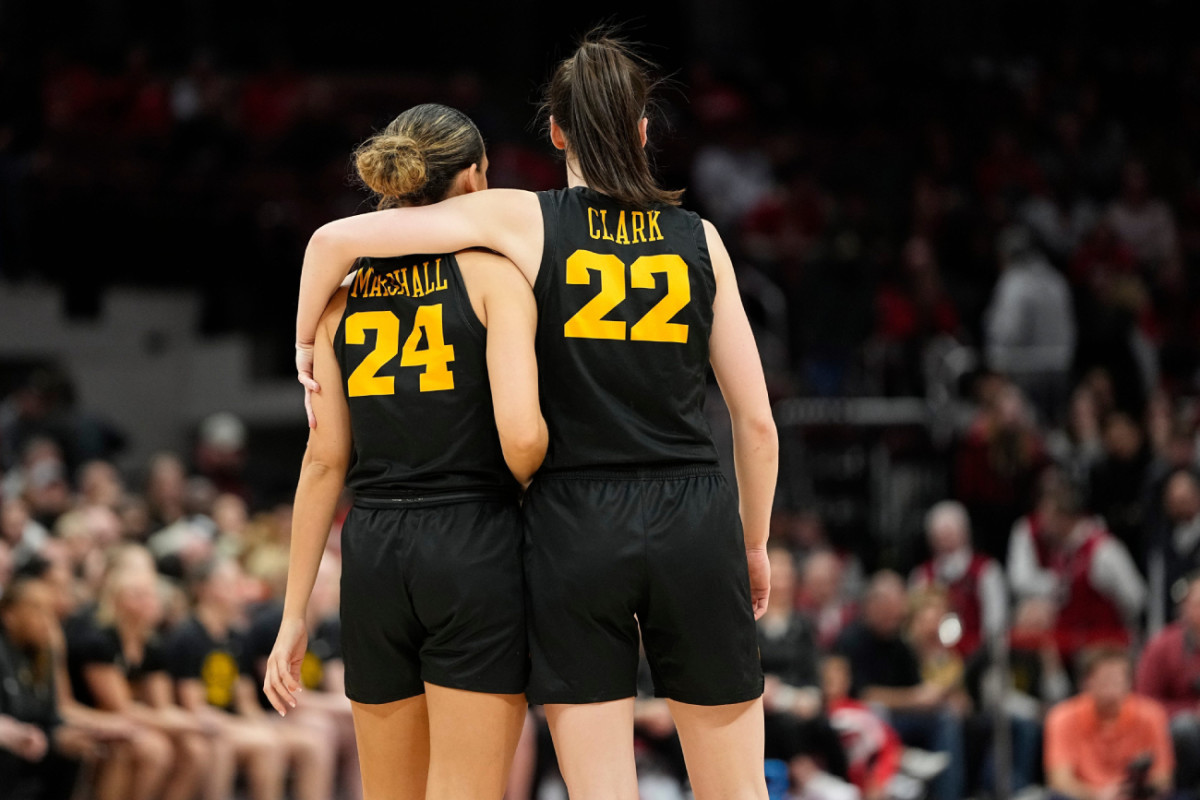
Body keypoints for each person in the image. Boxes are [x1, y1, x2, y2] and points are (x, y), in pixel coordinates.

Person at [289, 29, 778, 800]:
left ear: (554, 132)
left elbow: (336, 239)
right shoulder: (701, 238)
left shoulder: (524, 220)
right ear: (645, 130)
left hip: (573, 518)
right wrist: (750, 543)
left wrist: (304, 344)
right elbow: (754, 423)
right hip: (695, 510)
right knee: (738, 790)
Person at [264, 101, 547, 800]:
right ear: (475, 177)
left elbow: (323, 463)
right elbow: (522, 439)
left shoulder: (340, 300)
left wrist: (294, 613)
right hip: (474, 539)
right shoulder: (492, 277)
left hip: (373, 552)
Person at [1045, 647, 1173, 800]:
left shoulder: (1152, 715)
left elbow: (1162, 778)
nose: (1111, 683)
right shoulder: (1062, 717)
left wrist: (1129, 793)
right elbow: (1059, 780)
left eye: (1118, 677)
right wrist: (1097, 795)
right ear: (1086, 682)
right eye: (1104, 677)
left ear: (1130, 682)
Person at [909, 499, 1007, 661]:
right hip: (935, 658)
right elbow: (914, 625)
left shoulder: (986, 570)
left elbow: (995, 624)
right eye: (940, 536)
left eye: (950, 534)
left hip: (977, 656)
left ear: (964, 533)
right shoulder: (921, 575)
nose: (945, 542)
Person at [1135, 574, 1200, 798]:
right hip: (1178, 728)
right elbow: (1144, 703)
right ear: (1185, 608)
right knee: (1184, 728)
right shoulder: (1162, 645)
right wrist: (1190, 712)